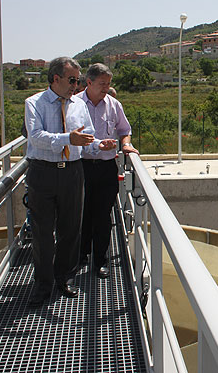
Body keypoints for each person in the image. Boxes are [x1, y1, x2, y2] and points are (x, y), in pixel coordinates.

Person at [24, 57, 117, 306]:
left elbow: (86, 137)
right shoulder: (34, 103)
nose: (76, 86)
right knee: (42, 232)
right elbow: (36, 138)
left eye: (77, 80)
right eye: (72, 80)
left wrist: (100, 144)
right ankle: (43, 285)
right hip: (43, 172)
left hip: (73, 172)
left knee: (71, 230)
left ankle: (64, 277)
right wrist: (68, 139)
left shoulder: (78, 105)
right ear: (56, 79)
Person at [77, 63, 138, 279]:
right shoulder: (75, 105)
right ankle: (80, 256)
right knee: (81, 214)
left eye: (108, 84)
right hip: (80, 167)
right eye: (102, 84)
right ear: (89, 82)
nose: (106, 88)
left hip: (105, 167)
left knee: (103, 216)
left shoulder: (114, 105)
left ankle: (100, 261)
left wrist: (126, 144)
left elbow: (124, 130)